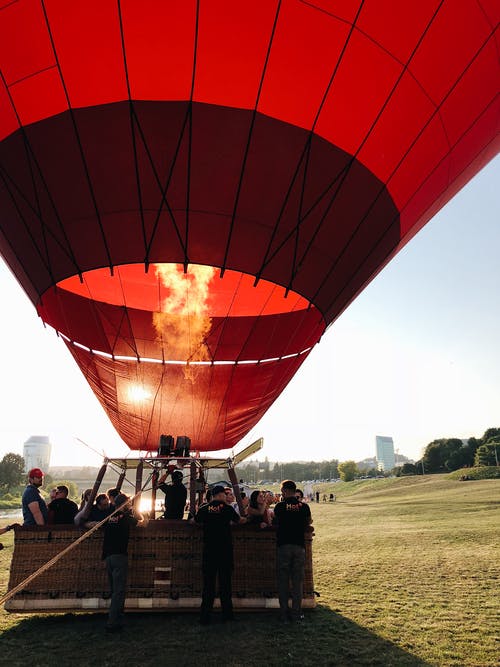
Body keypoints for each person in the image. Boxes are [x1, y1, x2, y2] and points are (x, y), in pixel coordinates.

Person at [195, 485, 246, 625]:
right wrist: (247, 518)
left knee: (208, 585)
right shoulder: (228, 509)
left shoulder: (204, 509)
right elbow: (240, 520)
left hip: (209, 550)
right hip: (225, 550)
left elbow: (195, 520)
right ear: (220, 495)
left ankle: (205, 616)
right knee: (225, 584)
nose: (226, 496)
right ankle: (227, 615)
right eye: (225, 494)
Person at [102, 492, 145, 632]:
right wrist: (141, 512)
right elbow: (143, 523)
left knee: (114, 589)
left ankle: (118, 619)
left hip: (108, 556)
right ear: (125, 504)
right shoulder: (126, 518)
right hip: (119, 556)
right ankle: (112, 622)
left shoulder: (108, 517)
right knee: (118, 592)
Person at [273, 479, 312, 624]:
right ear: (294, 491)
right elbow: (308, 522)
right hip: (299, 546)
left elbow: (275, 522)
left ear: (284, 491)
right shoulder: (303, 506)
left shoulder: (280, 506)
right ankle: (296, 614)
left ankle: (284, 614)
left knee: (283, 581)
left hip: (283, 545)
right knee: (297, 582)